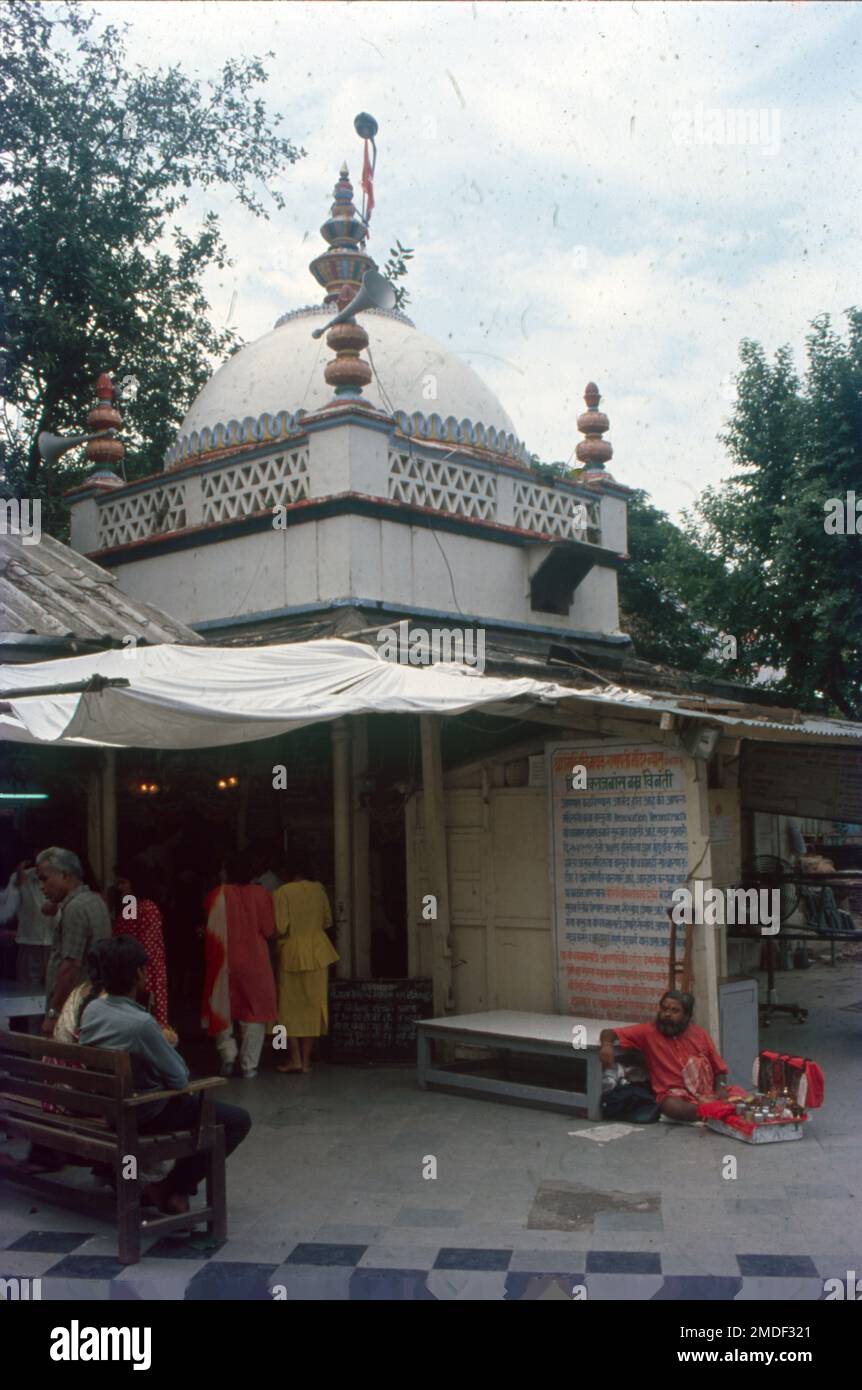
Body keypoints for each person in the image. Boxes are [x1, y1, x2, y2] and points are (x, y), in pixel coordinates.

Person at [80, 935, 251, 1215]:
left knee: (200, 1107)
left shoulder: (93, 1009)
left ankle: (171, 1188)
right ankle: (174, 1187)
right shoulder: (141, 1024)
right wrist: (168, 1045)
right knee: (236, 1121)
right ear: (137, 974)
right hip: (145, 1113)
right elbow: (179, 1079)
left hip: (112, 1107)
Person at [202, 850, 277, 1080]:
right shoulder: (262, 894)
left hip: (224, 962)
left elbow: (208, 926)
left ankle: (228, 1055)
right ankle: (249, 1065)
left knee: (222, 1007)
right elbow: (269, 930)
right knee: (254, 1014)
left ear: (228, 871)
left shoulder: (216, 894)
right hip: (255, 962)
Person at [599, 991, 730, 1122]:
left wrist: (721, 1088)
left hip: (706, 1092)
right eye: (664, 1009)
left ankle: (714, 1110)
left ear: (687, 1016)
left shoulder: (700, 1034)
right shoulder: (648, 1032)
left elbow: (719, 1068)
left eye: (675, 1011)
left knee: (737, 1095)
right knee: (672, 1107)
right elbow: (609, 1032)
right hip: (674, 1094)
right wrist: (606, 1045)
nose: (667, 1014)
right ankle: (713, 1113)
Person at [37, 847, 112, 1039]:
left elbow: (70, 967)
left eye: (45, 879)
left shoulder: (75, 908)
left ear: (65, 875)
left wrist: (53, 1014)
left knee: (63, 1065)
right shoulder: (95, 901)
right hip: (92, 1004)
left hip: (73, 1010)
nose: (41, 887)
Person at [272, 869, 339, 1074]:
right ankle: (307, 1061)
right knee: (313, 1006)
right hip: (318, 952)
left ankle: (294, 1058)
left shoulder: (283, 892)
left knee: (287, 1007)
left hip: (292, 953)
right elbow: (328, 921)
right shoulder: (319, 889)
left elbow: (280, 927)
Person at [110, 867, 169, 1029]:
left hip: (144, 972)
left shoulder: (148, 908)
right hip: (131, 970)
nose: (119, 887)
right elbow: (125, 934)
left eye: (123, 883)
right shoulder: (131, 904)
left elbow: (146, 948)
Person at [0, 859, 53, 1033]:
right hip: (30, 943)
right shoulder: (21, 878)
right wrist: (16, 886)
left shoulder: (60, 876)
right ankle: (36, 1050)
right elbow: (5, 912)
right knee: (31, 1003)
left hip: (54, 945)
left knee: (55, 997)